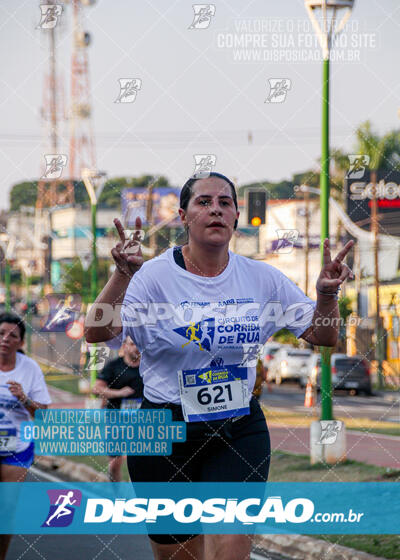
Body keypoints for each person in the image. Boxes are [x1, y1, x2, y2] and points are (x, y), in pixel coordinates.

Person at [85, 172, 354, 560]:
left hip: (237, 428)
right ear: (183, 215)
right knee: (180, 554)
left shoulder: (261, 278)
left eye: (225, 203)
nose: (215, 209)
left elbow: (323, 335)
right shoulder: (152, 277)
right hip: (163, 433)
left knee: (230, 548)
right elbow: (97, 332)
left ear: (236, 217)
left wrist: (328, 295)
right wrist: (123, 274)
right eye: (204, 202)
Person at [0, 312, 51, 560]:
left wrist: (24, 398)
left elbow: (43, 413)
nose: (5, 339)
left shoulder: (29, 369)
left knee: (6, 510)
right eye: (1, 334)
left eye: (12, 336)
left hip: (16, 446)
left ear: (21, 342)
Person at [91, 336, 143, 482]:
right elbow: (97, 388)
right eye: (132, 344)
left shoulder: (147, 367)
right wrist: (119, 393)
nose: (136, 348)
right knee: (114, 463)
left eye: (138, 344)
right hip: (116, 419)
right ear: (124, 346)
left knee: (140, 461)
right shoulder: (114, 366)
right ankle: (117, 492)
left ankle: (137, 494)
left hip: (141, 420)